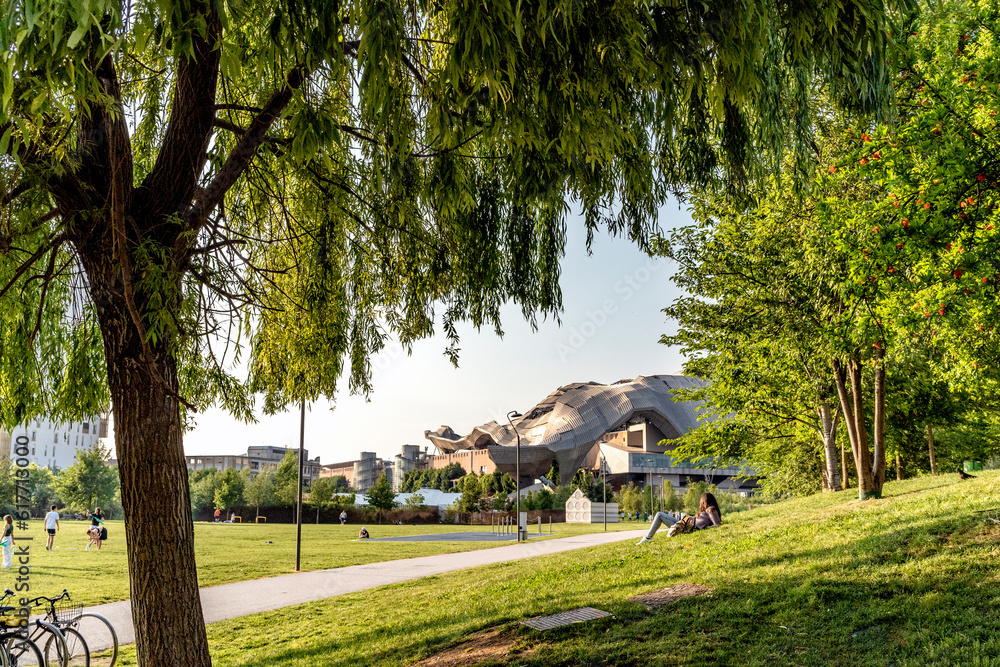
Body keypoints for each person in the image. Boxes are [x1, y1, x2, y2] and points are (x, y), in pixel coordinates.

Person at [636, 492, 722, 545]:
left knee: (659, 515)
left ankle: (647, 538)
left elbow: (717, 524)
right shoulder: (709, 510)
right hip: (685, 524)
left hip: (685, 527)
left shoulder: (711, 509)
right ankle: (647, 537)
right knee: (659, 515)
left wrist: (705, 528)